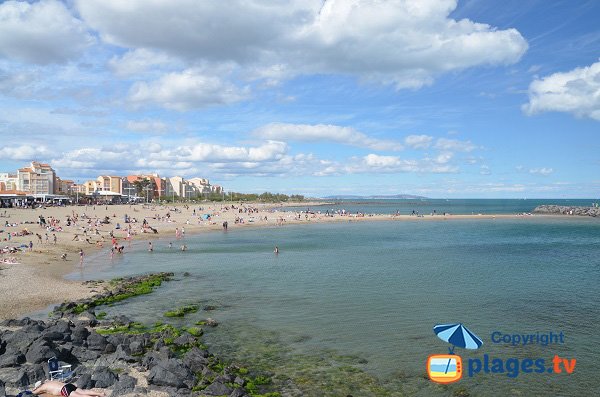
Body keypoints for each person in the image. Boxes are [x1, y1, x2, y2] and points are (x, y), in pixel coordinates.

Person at [32, 379, 105, 396]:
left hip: (64, 390)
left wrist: (34, 389)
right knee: (84, 391)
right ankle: (101, 394)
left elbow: (33, 393)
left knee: (80, 396)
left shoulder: (42, 387)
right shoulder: (49, 381)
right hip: (68, 385)